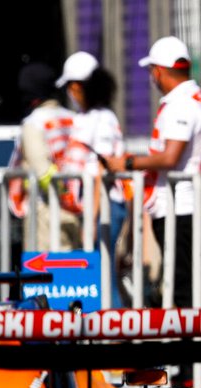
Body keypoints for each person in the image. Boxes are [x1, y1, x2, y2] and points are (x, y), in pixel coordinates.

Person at [104, 36, 201, 312]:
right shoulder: (192, 98)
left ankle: (188, 353)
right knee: (186, 282)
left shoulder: (180, 103)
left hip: (178, 209)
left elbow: (170, 156)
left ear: (158, 71)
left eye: (151, 71)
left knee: (182, 287)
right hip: (183, 206)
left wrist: (128, 163)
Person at [57, 52, 127, 302]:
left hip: (104, 205)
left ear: (77, 86)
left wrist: (94, 216)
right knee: (97, 270)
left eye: (69, 87)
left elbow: (101, 169)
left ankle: (114, 332)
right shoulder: (88, 118)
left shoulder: (103, 119)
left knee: (102, 273)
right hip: (92, 206)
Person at [8, 63, 79, 250]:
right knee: (77, 275)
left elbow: (43, 172)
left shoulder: (33, 124)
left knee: (44, 276)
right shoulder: (74, 118)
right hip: (80, 210)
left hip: (45, 211)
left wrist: (63, 196)